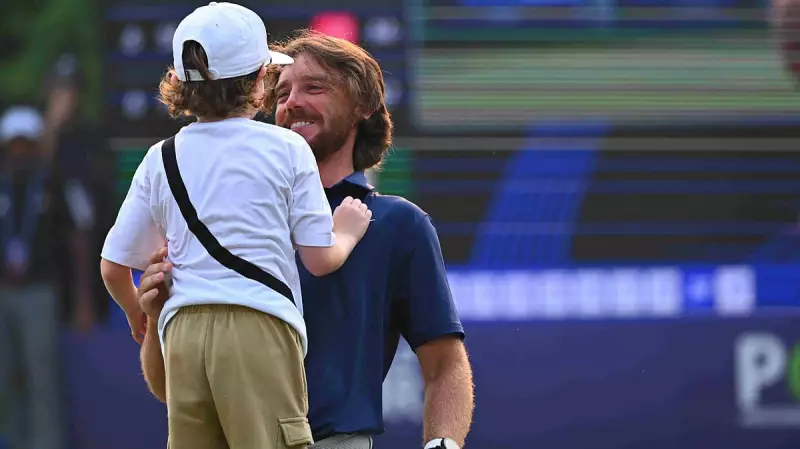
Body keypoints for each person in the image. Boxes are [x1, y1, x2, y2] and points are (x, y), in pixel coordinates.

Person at [137, 30, 475, 449]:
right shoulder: (226, 217)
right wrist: (156, 319)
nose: (291, 102)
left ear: (363, 107)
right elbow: (168, 388)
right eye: (280, 93)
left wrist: (443, 443)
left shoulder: (397, 224)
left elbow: (444, 365)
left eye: (314, 88)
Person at [99, 4, 372, 449]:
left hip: (182, 334)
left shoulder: (160, 157)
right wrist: (347, 230)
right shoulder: (287, 148)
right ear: (262, 77)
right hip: (259, 328)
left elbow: (114, 267)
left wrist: (140, 316)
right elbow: (320, 261)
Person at [0, 105, 74, 449]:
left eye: (26, 143)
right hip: (2, 292)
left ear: (34, 146)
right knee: (6, 376)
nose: (19, 151)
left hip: (39, 291)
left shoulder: (51, 182)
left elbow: (76, 235)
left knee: (41, 375)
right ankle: (15, 441)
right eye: (13, 144)